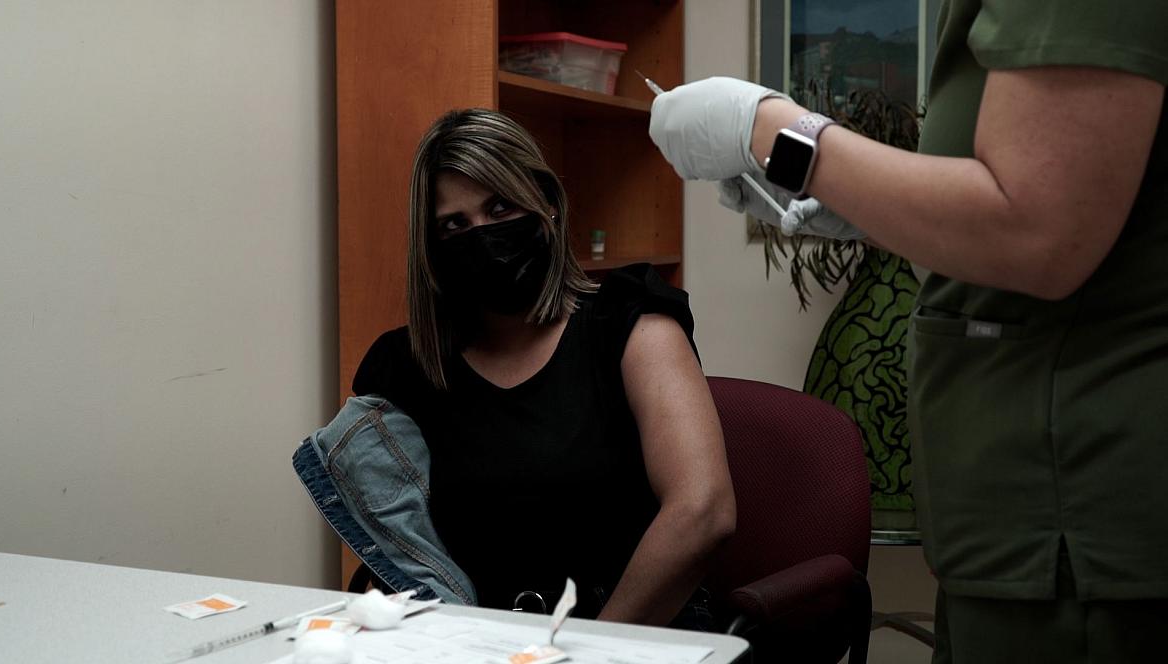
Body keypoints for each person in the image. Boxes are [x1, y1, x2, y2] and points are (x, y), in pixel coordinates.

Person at [647, 1, 1168, 661]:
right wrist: (862, 211)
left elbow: (1038, 231)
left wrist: (779, 132)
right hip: (1023, 529)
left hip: (1081, 529)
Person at [351, 108, 735, 629]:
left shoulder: (631, 327)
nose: (482, 236)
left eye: (501, 207)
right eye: (454, 225)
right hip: (470, 641)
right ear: (433, 248)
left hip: (630, 635)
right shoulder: (402, 368)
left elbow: (703, 512)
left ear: (548, 205)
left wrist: (584, 653)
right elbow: (388, 550)